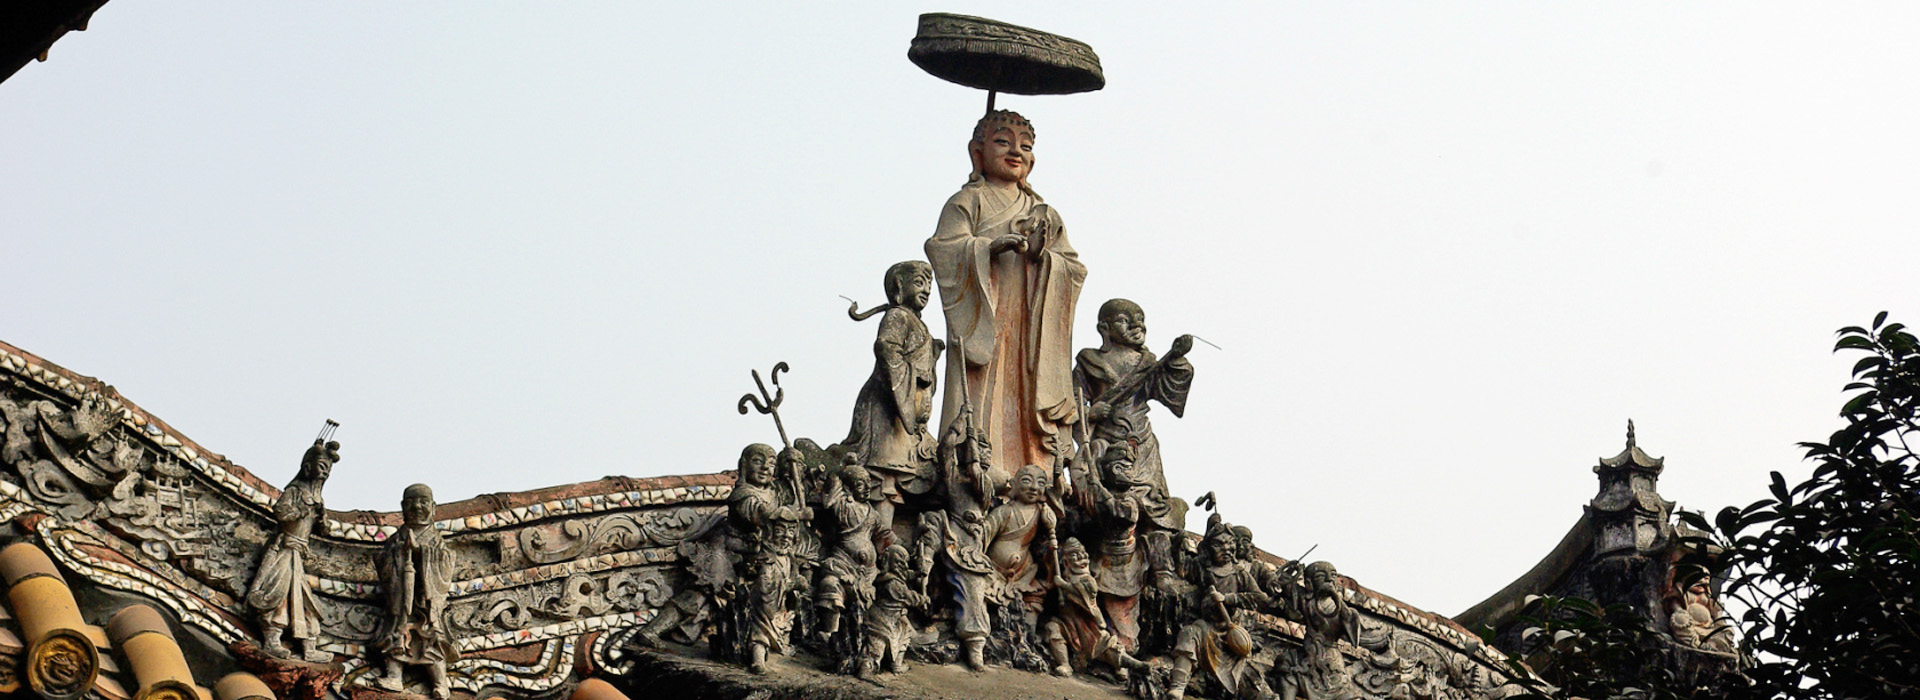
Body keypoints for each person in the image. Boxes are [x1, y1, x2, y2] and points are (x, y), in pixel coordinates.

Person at [925, 110, 1087, 486]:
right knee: (982, 390)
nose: (1016, 151)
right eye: (1003, 142)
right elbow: (944, 247)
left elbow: (1073, 268)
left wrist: (1042, 257)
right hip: (984, 312)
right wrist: (985, 249)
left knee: (1026, 395)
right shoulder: (968, 201)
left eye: (1025, 146)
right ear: (977, 152)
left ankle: (1037, 471)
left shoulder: (1042, 211)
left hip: (1032, 324)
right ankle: (975, 464)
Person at [843, 260, 944, 545]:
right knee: (886, 473)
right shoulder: (897, 317)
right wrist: (915, 375)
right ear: (899, 287)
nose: (926, 290)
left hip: (909, 415)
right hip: (890, 408)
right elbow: (887, 350)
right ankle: (880, 534)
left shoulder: (916, 322)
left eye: (929, 285)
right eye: (919, 282)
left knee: (915, 469)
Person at [1075, 298, 1195, 532]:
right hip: (1107, 439)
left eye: (1140, 321)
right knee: (1109, 497)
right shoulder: (1090, 360)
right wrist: (1090, 413)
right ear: (1104, 328)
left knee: (1151, 499)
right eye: (1124, 321)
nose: (1135, 326)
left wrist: (1177, 359)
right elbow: (1070, 401)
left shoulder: (1147, 362)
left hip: (1141, 439)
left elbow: (1167, 389)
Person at [247, 438, 336, 662]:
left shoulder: (318, 498)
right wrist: (302, 510)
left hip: (299, 554)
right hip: (284, 549)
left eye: (328, 470)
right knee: (277, 594)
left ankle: (309, 646)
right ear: (307, 467)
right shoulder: (295, 491)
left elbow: (323, 531)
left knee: (305, 601)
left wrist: (322, 516)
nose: (325, 474)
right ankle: (272, 640)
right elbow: (281, 513)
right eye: (322, 467)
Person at [376, 484, 458, 699]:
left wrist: (421, 551)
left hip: (424, 601)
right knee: (395, 637)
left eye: (423, 501)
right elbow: (382, 562)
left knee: (431, 640)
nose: (417, 506)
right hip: (401, 599)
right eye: (412, 502)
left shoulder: (436, 540)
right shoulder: (397, 538)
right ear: (403, 507)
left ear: (433, 507)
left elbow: (446, 562)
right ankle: (394, 677)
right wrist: (398, 553)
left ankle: (440, 684)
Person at [1043, 538, 1148, 681]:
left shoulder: (1087, 579)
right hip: (1068, 622)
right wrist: (1051, 554)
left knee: (1105, 646)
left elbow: (1086, 594)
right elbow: (1050, 580)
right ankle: (1065, 664)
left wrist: (1064, 585)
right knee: (1053, 629)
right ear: (1066, 561)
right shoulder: (1064, 574)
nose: (1081, 558)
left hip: (1088, 623)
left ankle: (1129, 666)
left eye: (1083, 554)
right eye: (1075, 555)